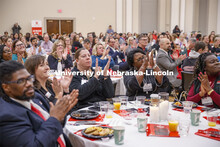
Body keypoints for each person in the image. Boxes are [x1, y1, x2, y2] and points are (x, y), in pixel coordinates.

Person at [0, 60, 78, 146]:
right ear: (6, 87)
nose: (29, 84)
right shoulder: (6, 116)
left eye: (29, 78)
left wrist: (60, 114)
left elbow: (53, 124)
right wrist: (55, 118)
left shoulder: (35, 97)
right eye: (21, 81)